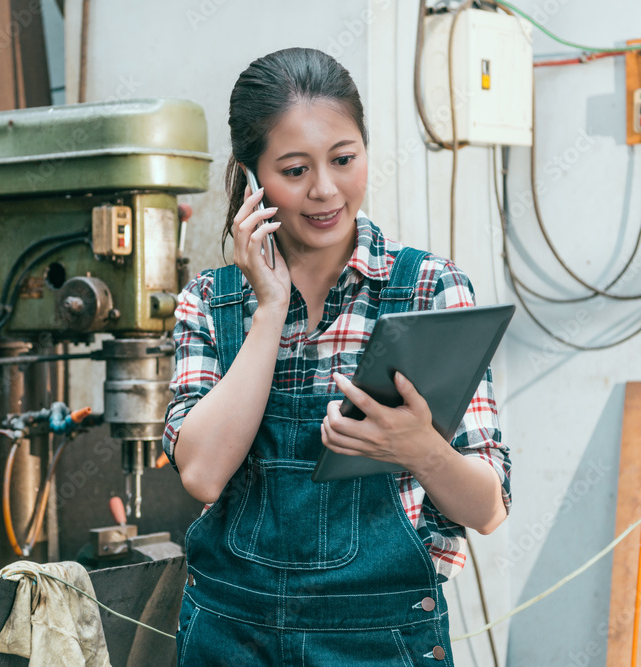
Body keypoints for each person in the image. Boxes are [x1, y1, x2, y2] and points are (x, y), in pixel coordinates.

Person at [163, 47, 511, 666]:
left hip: (380, 639)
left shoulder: (430, 290)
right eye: (295, 170)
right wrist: (268, 310)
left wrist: (420, 449)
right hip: (230, 637)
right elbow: (203, 474)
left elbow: (487, 509)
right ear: (251, 179)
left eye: (344, 160)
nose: (325, 190)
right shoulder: (210, 304)